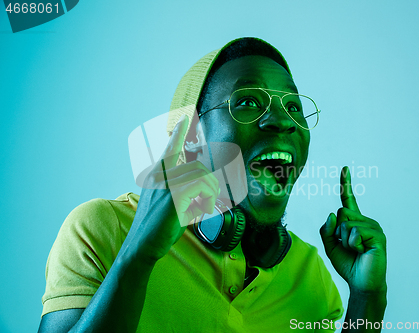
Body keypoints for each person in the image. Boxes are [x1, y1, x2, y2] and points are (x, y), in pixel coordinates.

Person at [38, 37, 387, 332]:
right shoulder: (103, 229)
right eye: (247, 101)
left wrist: (367, 298)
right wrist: (137, 257)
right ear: (189, 139)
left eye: (293, 106)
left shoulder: (311, 276)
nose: (283, 120)